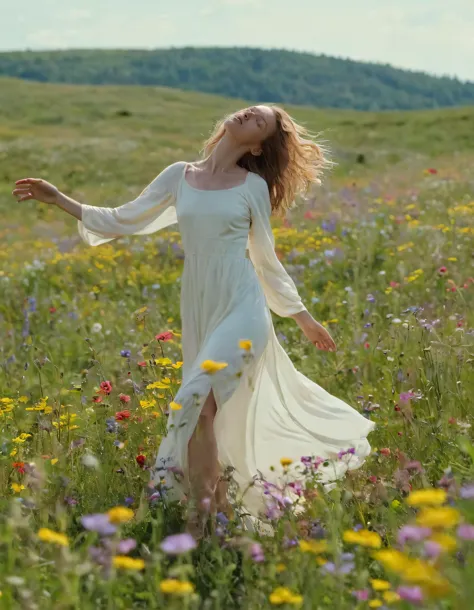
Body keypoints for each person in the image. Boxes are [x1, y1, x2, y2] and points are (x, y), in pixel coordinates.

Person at [12, 104, 375, 536]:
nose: (246, 116)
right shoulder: (178, 175)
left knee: (198, 399)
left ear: (258, 146)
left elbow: (264, 258)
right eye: (249, 111)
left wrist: (302, 318)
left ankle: (199, 520)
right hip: (201, 303)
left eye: (258, 122)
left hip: (242, 305)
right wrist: (59, 200)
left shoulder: (252, 186)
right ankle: (216, 504)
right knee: (203, 413)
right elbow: (123, 220)